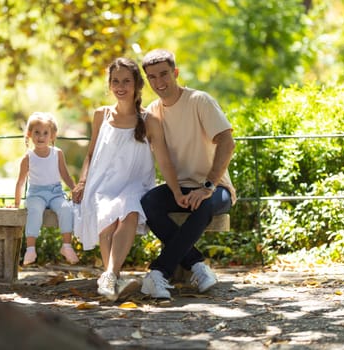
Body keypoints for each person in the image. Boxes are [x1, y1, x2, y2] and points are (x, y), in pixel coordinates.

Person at [72, 57, 185, 301]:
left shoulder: (149, 120)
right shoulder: (101, 115)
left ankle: (109, 276)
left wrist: (176, 191)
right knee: (107, 214)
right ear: (109, 85)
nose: (120, 86)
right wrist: (82, 182)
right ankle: (112, 278)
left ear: (136, 85)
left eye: (126, 81)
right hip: (102, 184)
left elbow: (164, 160)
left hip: (135, 184)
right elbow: (91, 153)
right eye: (115, 81)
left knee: (131, 210)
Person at [139, 49, 236, 299]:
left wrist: (208, 186)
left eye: (164, 74)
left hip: (216, 188)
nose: (159, 82)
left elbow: (227, 142)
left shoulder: (199, 101)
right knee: (148, 202)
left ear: (176, 72)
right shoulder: (152, 112)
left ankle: (159, 271)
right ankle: (197, 265)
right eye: (152, 77)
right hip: (178, 188)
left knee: (202, 205)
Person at [14, 112, 79, 265]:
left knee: (66, 209)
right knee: (35, 210)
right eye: (37, 132)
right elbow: (20, 182)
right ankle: (30, 249)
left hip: (56, 193)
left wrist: (75, 190)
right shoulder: (28, 157)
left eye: (45, 133)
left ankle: (67, 246)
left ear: (52, 136)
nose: (41, 137)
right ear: (29, 134)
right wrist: (16, 204)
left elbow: (65, 175)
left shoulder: (57, 154)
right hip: (36, 194)